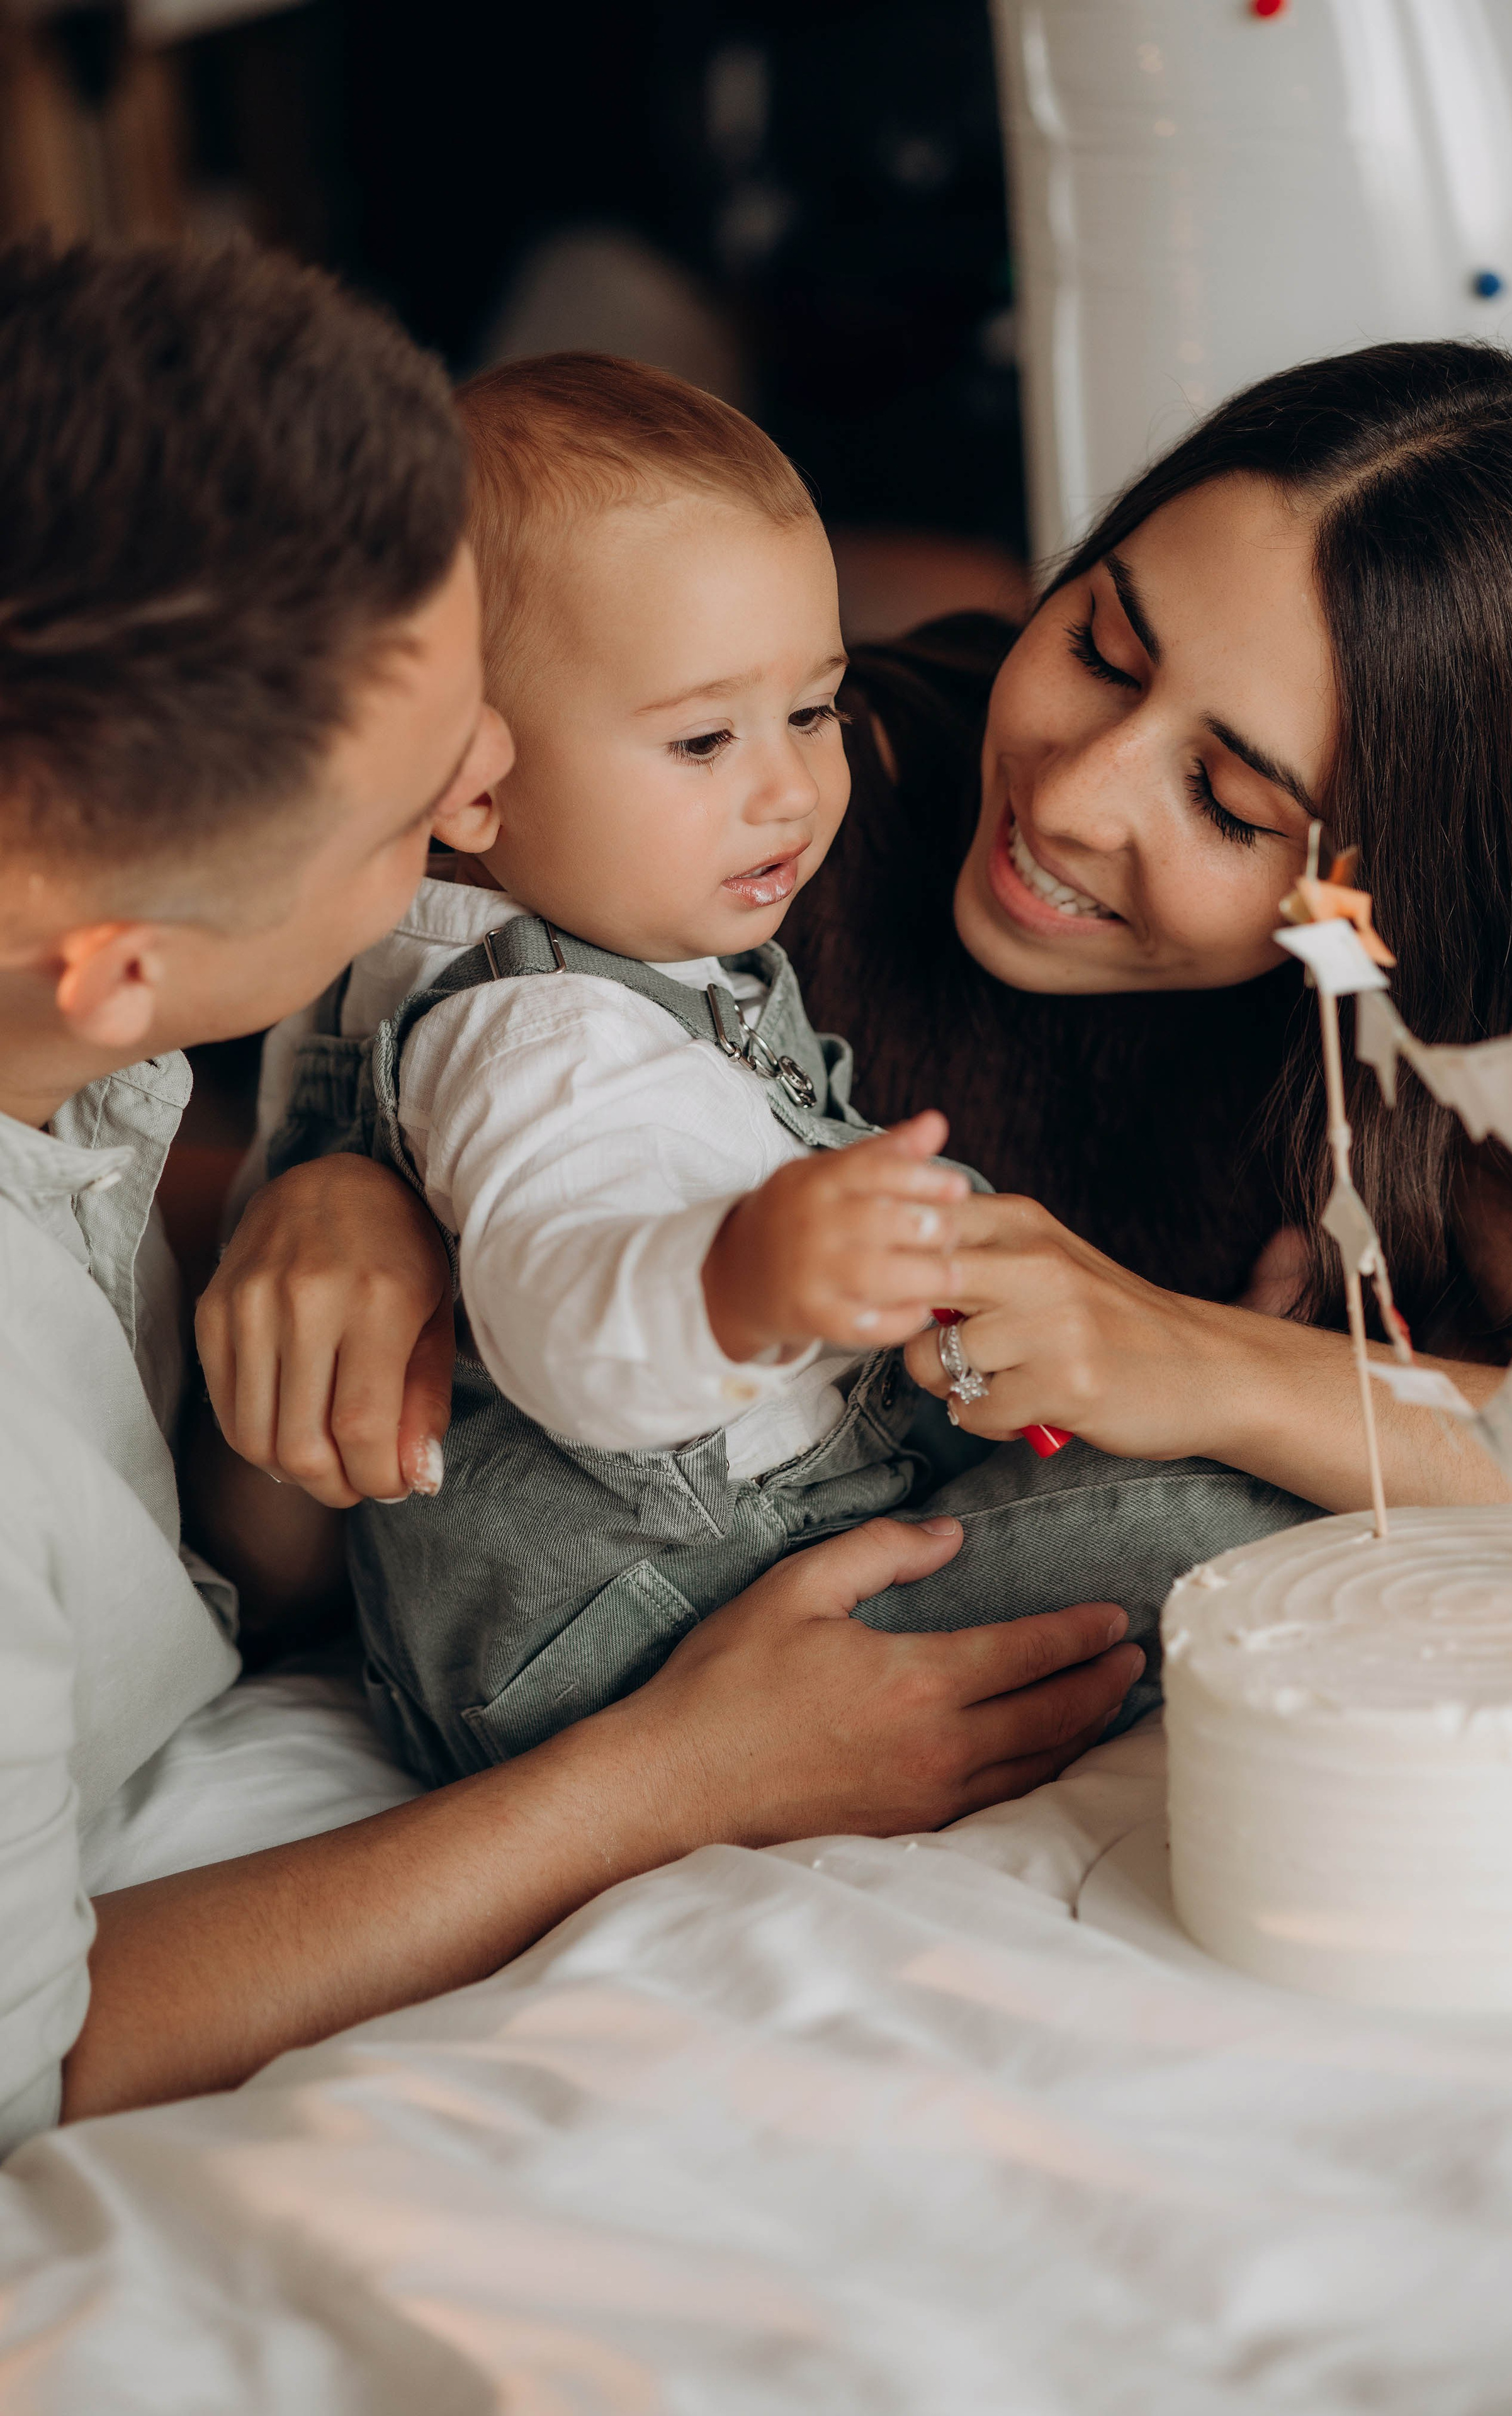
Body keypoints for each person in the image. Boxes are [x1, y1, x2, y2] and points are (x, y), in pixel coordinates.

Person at [0, 238, 1142, 2160]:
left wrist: (359, 1176)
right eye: (417, 810)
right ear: (119, 959)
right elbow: (41, 2054)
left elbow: (215, 1548)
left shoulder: (88, 1042)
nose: (486, 808)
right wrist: (662, 1781)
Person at [206, 339, 1512, 1524]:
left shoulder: (1450, 1050)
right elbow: (258, 1569)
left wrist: (1207, 1365)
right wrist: (365, 1177)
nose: (1068, 795)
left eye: (1227, 801)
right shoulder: (726, 814)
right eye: (1098, 648)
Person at [245, 354, 1306, 1783]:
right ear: (470, 786)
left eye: (815, 708)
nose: (794, 788)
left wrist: (1225, 1363)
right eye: (704, 737)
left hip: (705, 1561)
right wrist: (738, 1272)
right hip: (633, 1632)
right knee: (1240, 1530)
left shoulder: (646, 915)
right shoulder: (543, 1030)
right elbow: (564, 1311)